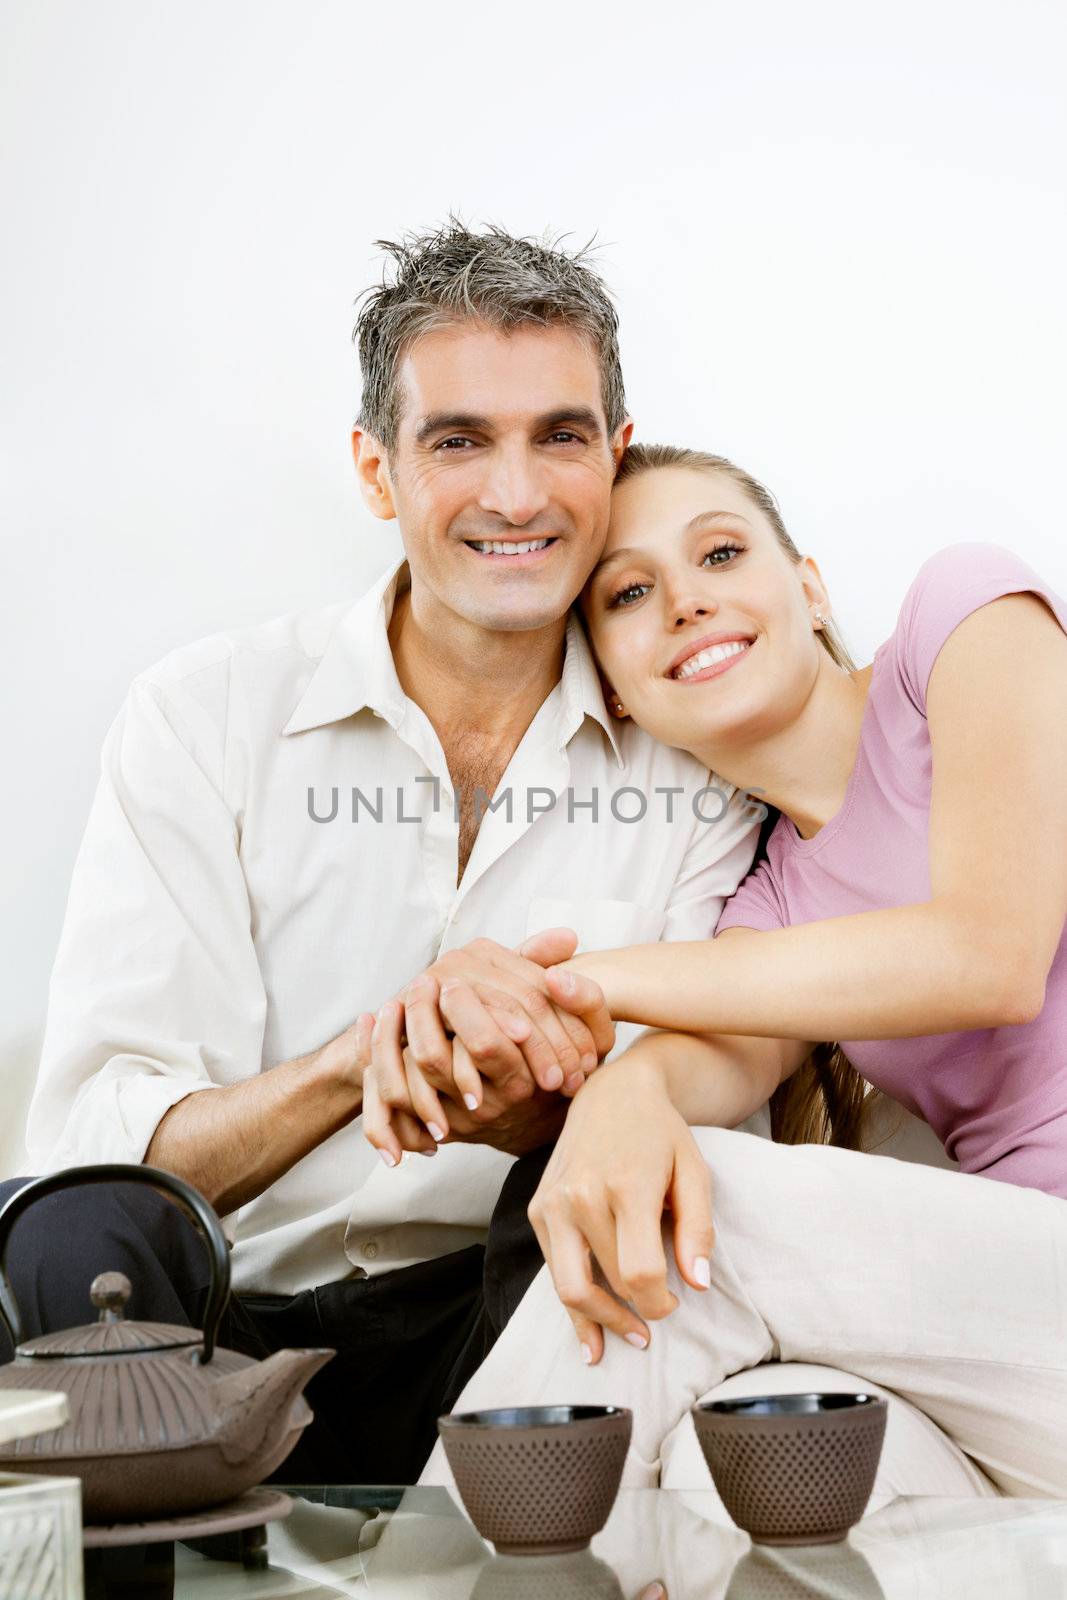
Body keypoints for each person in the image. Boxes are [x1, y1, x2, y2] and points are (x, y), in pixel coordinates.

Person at [0, 237, 761, 1484]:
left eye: (559, 438)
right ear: (375, 470)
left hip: (538, 1328)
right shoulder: (204, 718)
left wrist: (536, 1109)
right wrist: (365, 1061)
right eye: (458, 441)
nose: (515, 495)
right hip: (214, 1343)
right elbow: (98, 1153)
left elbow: (682, 1114)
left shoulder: (696, 759)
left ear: (615, 460)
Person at [376, 444, 1067, 1498]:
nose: (686, 603)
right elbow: (708, 1064)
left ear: (807, 585)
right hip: (1019, 1356)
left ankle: (419, 1575)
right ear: (610, 682)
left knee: (706, 1204)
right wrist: (624, 1092)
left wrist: (577, 978)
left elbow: (988, 951)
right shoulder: (768, 910)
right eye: (632, 592)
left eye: (720, 553)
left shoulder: (963, 625)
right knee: (733, 1462)